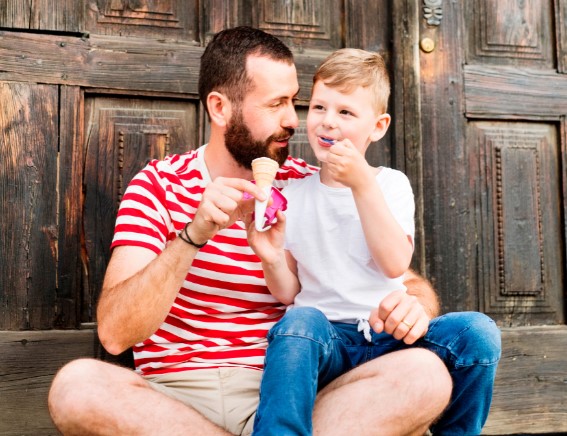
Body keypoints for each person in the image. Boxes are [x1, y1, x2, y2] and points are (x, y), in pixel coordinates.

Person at [46, 26, 499, 436]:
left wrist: (414, 305)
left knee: (424, 375)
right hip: (174, 403)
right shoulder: (159, 184)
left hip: (297, 398)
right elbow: (115, 333)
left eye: (296, 101)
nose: (294, 120)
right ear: (221, 108)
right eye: (277, 104)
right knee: (76, 386)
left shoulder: (308, 182)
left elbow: (393, 273)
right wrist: (193, 234)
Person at [247, 47, 417, 435]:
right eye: (320, 108)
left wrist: (361, 184)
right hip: (325, 339)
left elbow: (395, 265)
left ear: (378, 126)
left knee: (475, 334)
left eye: (345, 112)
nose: (328, 123)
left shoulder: (390, 184)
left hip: (387, 334)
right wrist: (271, 258)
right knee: (297, 322)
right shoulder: (294, 193)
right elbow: (289, 292)